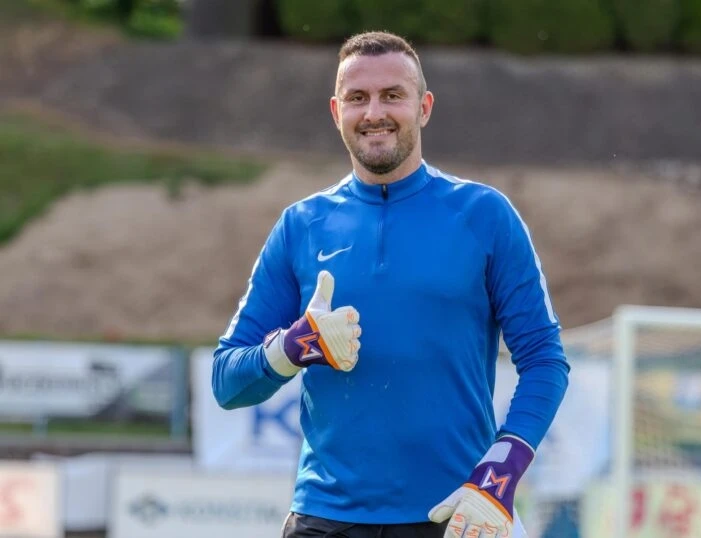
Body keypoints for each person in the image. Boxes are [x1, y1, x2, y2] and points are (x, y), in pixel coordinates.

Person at [212, 30, 570, 538]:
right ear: (336, 111)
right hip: (325, 519)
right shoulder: (301, 225)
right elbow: (226, 381)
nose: (374, 112)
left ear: (424, 107)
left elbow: (544, 360)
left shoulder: (485, 215)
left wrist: (501, 474)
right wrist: (292, 347)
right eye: (357, 97)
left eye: (392, 95)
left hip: (453, 512)